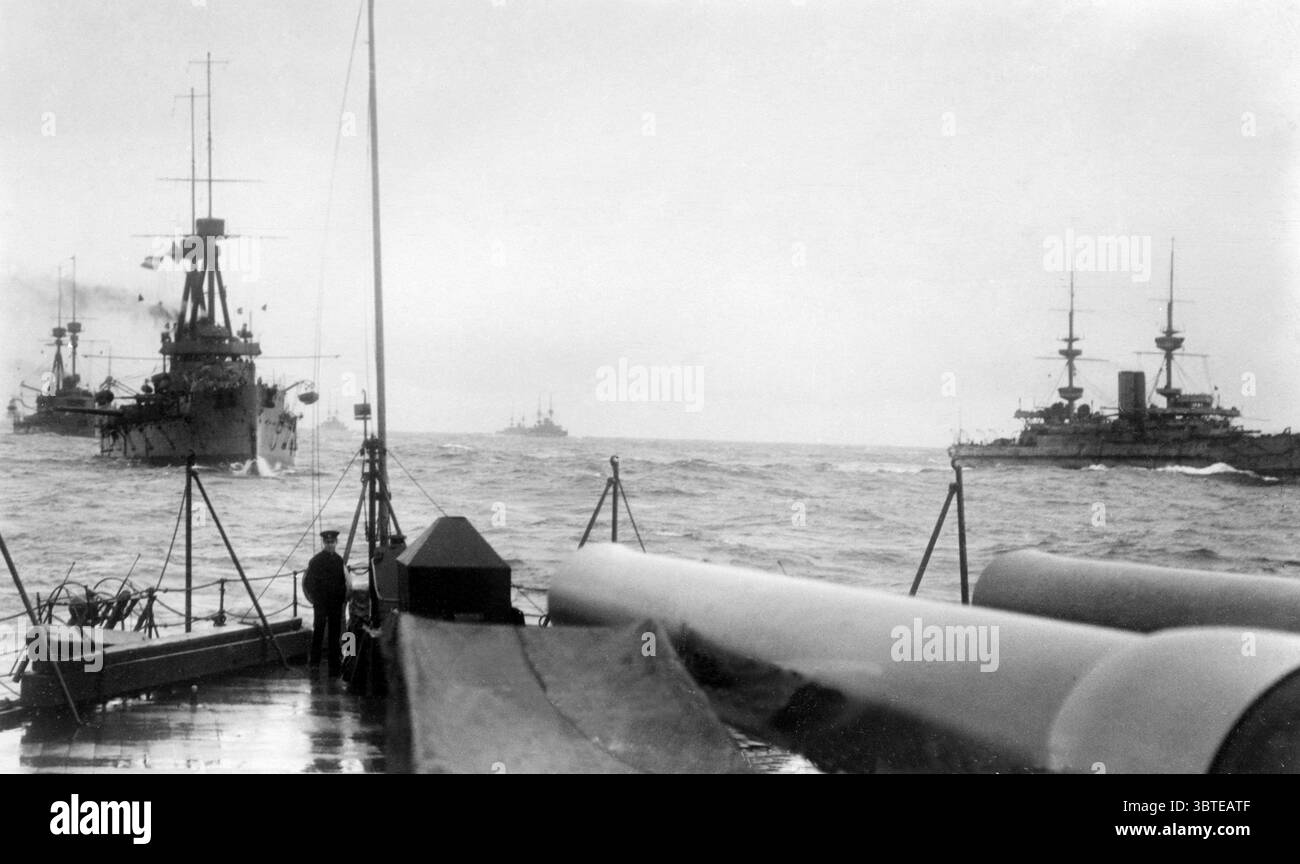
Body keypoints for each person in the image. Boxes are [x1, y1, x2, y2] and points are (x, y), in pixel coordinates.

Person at [303, 529, 347, 676]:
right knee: (319, 630)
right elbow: (308, 582)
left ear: (336, 543)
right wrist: (316, 599)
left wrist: (341, 598)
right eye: (327, 542)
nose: (330, 545)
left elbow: (343, 582)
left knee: (335, 632)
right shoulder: (315, 561)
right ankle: (314, 663)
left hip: (335, 603)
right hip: (321, 603)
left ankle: (335, 662)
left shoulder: (339, 561)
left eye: (332, 542)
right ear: (324, 543)